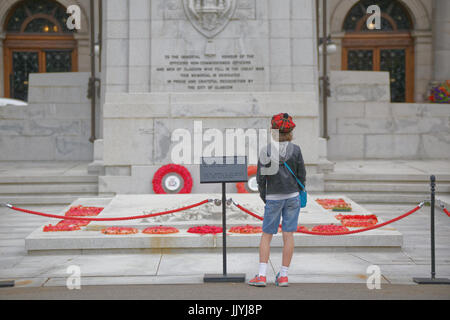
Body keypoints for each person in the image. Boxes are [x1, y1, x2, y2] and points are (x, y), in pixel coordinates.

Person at [248, 113, 306, 287]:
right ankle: (284, 276)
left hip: (273, 196)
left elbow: (260, 179)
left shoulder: (266, 151)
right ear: (290, 131)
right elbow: (302, 174)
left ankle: (261, 275)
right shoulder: (296, 150)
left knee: (267, 235)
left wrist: (264, 196)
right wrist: (299, 189)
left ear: (273, 131)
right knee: (288, 235)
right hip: (292, 196)